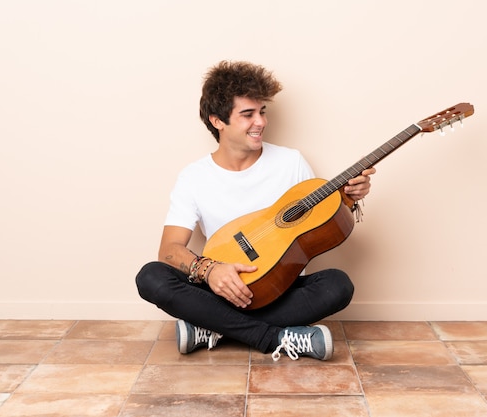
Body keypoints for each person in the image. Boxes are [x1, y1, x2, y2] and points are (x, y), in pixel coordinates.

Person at [135, 61, 375, 361]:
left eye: (262, 111)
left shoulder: (291, 162)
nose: (260, 121)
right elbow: (169, 250)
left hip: (280, 289)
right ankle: (276, 338)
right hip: (220, 291)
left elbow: (320, 225)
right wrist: (210, 272)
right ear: (217, 121)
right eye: (247, 114)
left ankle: (213, 329)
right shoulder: (194, 176)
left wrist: (349, 199)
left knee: (337, 285)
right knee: (151, 277)